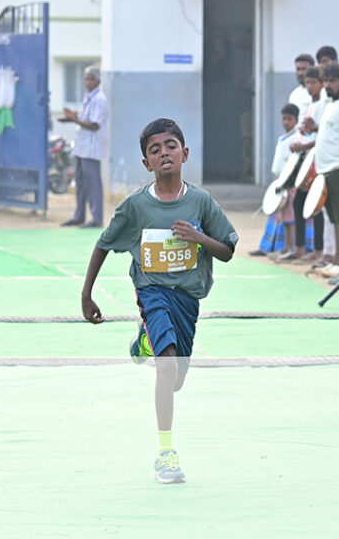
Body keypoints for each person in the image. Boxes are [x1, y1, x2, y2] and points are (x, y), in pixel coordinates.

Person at [80, 117, 237, 484]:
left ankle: (145, 340)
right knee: (166, 368)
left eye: (170, 146)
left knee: (176, 379)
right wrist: (86, 294)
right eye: (155, 149)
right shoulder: (136, 206)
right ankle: (166, 454)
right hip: (151, 291)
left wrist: (199, 238)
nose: (164, 153)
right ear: (146, 162)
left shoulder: (200, 201)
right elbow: (104, 244)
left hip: (187, 297)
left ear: (184, 153)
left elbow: (227, 250)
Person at [311, 62, 339, 277]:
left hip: (338, 168)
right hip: (325, 169)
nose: (328, 85)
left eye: (332, 81)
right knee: (334, 217)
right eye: (325, 81)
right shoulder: (330, 105)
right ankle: (336, 259)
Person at [283, 65, 326, 261]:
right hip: (305, 160)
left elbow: (322, 137)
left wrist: (304, 146)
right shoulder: (311, 104)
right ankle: (299, 248)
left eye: (313, 82)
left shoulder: (324, 104)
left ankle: (318, 250)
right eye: (307, 82)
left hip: (316, 161)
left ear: (321, 84)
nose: (310, 86)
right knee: (299, 203)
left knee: (317, 206)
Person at [60, 66, 109, 228]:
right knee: (80, 182)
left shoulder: (100, 99)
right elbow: (84, 119)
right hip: (82, 147)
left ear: (98, 81)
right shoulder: (88, 97)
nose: (88, 82)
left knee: (93, 183)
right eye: (86, 79)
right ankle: (79, 215)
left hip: (92, 148)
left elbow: (95, 125)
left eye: (91, 79)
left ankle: (97, 218)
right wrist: (73, 118)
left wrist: (74, 120)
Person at [249, 103, 299, 257]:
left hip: (289, 183)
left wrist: (285, 181)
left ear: (296, 120)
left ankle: (291, 248)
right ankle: (281, 247)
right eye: (284, 119)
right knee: (282, 217)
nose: (286, 122)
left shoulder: (296, 138)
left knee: (290, 217)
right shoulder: (282, 138)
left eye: (290, 119)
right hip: (280, 182)